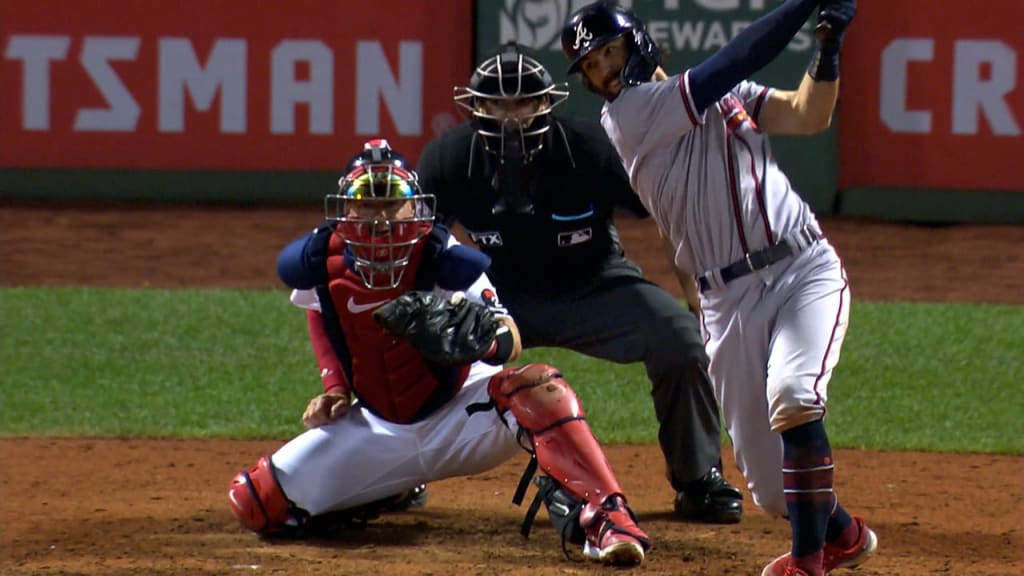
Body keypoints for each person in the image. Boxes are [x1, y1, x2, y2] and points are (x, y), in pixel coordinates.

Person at [559, 1, 875, 575]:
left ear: (637, 42)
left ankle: (808, 563)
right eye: (591, 66)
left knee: (795, 395)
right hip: (726, 302)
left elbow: (808, 115)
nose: (604, 70)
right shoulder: (630, 116)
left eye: (608, 52)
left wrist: (828, 49)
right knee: (773, 491)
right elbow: (736, 59)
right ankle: (844, 533)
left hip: (803, 269)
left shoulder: (723, 97)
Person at [226, 140, 651, 567]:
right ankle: (386, 488)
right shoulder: (321, 259)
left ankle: (607, 516)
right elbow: (320, 312)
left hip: (460, 417)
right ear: (346, 210)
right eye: (367, 202)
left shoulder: (442, 257)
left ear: (415, 208)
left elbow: (509, 334)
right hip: (378, 430)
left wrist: (483, 343)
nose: (381, 215)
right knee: (255, 502)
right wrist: (335, 387)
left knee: (537, 385)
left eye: (393, 203)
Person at [416, 41, 744, 525]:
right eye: (496, 104)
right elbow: (423, 248)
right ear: (475, 107)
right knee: (416, 339)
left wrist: (698, 298)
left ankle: (698, 479)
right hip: (498, 296)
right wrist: (432, 313)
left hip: (594, 285)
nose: (511, 115)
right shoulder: (448, 159)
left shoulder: (592, 150)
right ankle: (402, 473)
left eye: (524, 101)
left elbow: (670, 215)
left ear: (548, 103)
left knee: (679, 341)